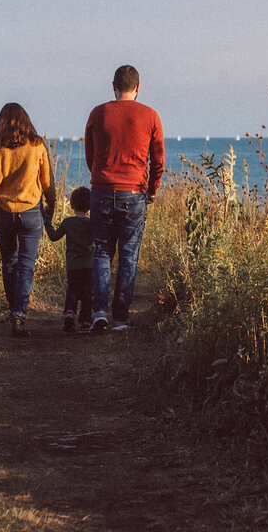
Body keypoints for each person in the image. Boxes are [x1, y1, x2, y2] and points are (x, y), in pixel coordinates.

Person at [84, 65, 164, 333]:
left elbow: (90, 154)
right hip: (134, 192)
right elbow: (158, 159)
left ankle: (98, 312)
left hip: (102, 188)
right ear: (138, 88)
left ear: (113, 85)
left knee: (103, 252)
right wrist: (152, 188)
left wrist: (99, 178)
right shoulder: (150, 115)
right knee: (128, 256)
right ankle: (120, 318)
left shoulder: (98, 113)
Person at [0, 102, 56, 338]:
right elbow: (47, 181)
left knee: (9, 263)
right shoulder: (36, 144)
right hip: (31, 212)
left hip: (2, 212)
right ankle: (19, 315)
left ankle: (14, 311)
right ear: (26, 121)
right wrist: (51, 204)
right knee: (26, 265)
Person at [45, 186, 95, 333]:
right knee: (87, 293)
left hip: (72, 265)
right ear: (90, 205)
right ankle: (86, 321)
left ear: (72, 205)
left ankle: (69, 314)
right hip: (89, 265)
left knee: (72, 290)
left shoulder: (67, 222)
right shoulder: (93, 223)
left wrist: (47, 221)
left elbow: (54, 237)